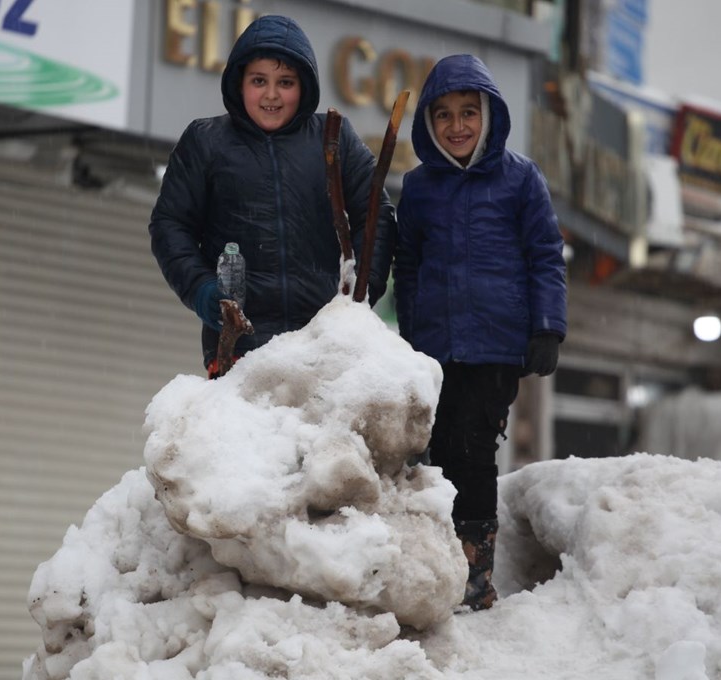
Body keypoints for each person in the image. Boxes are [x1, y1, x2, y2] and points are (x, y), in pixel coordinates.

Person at [393, 54, 567, 610]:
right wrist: (412, 337)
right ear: (428, 123)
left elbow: (545, 256)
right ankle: (438, 562)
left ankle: (474, 568)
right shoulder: (419, 187)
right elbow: (409, 266)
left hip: (496, 343)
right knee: (435, 448)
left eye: (469, 113)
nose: (458, 126)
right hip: (436, 347)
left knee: (472, 445)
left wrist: (546, 328)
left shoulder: (520, 178)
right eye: (443, 115)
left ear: (490, 116)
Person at [149, 15, 396, 375]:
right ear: (239, 82)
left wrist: (360, 295)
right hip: (238, 347)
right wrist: (204, 291)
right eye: (259, 81)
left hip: (324, 346)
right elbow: (170, 226)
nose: (271, 95)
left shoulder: (333, 138)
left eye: (286, 82)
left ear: (304, 86)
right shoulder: (206, 142)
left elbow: (376, 214)